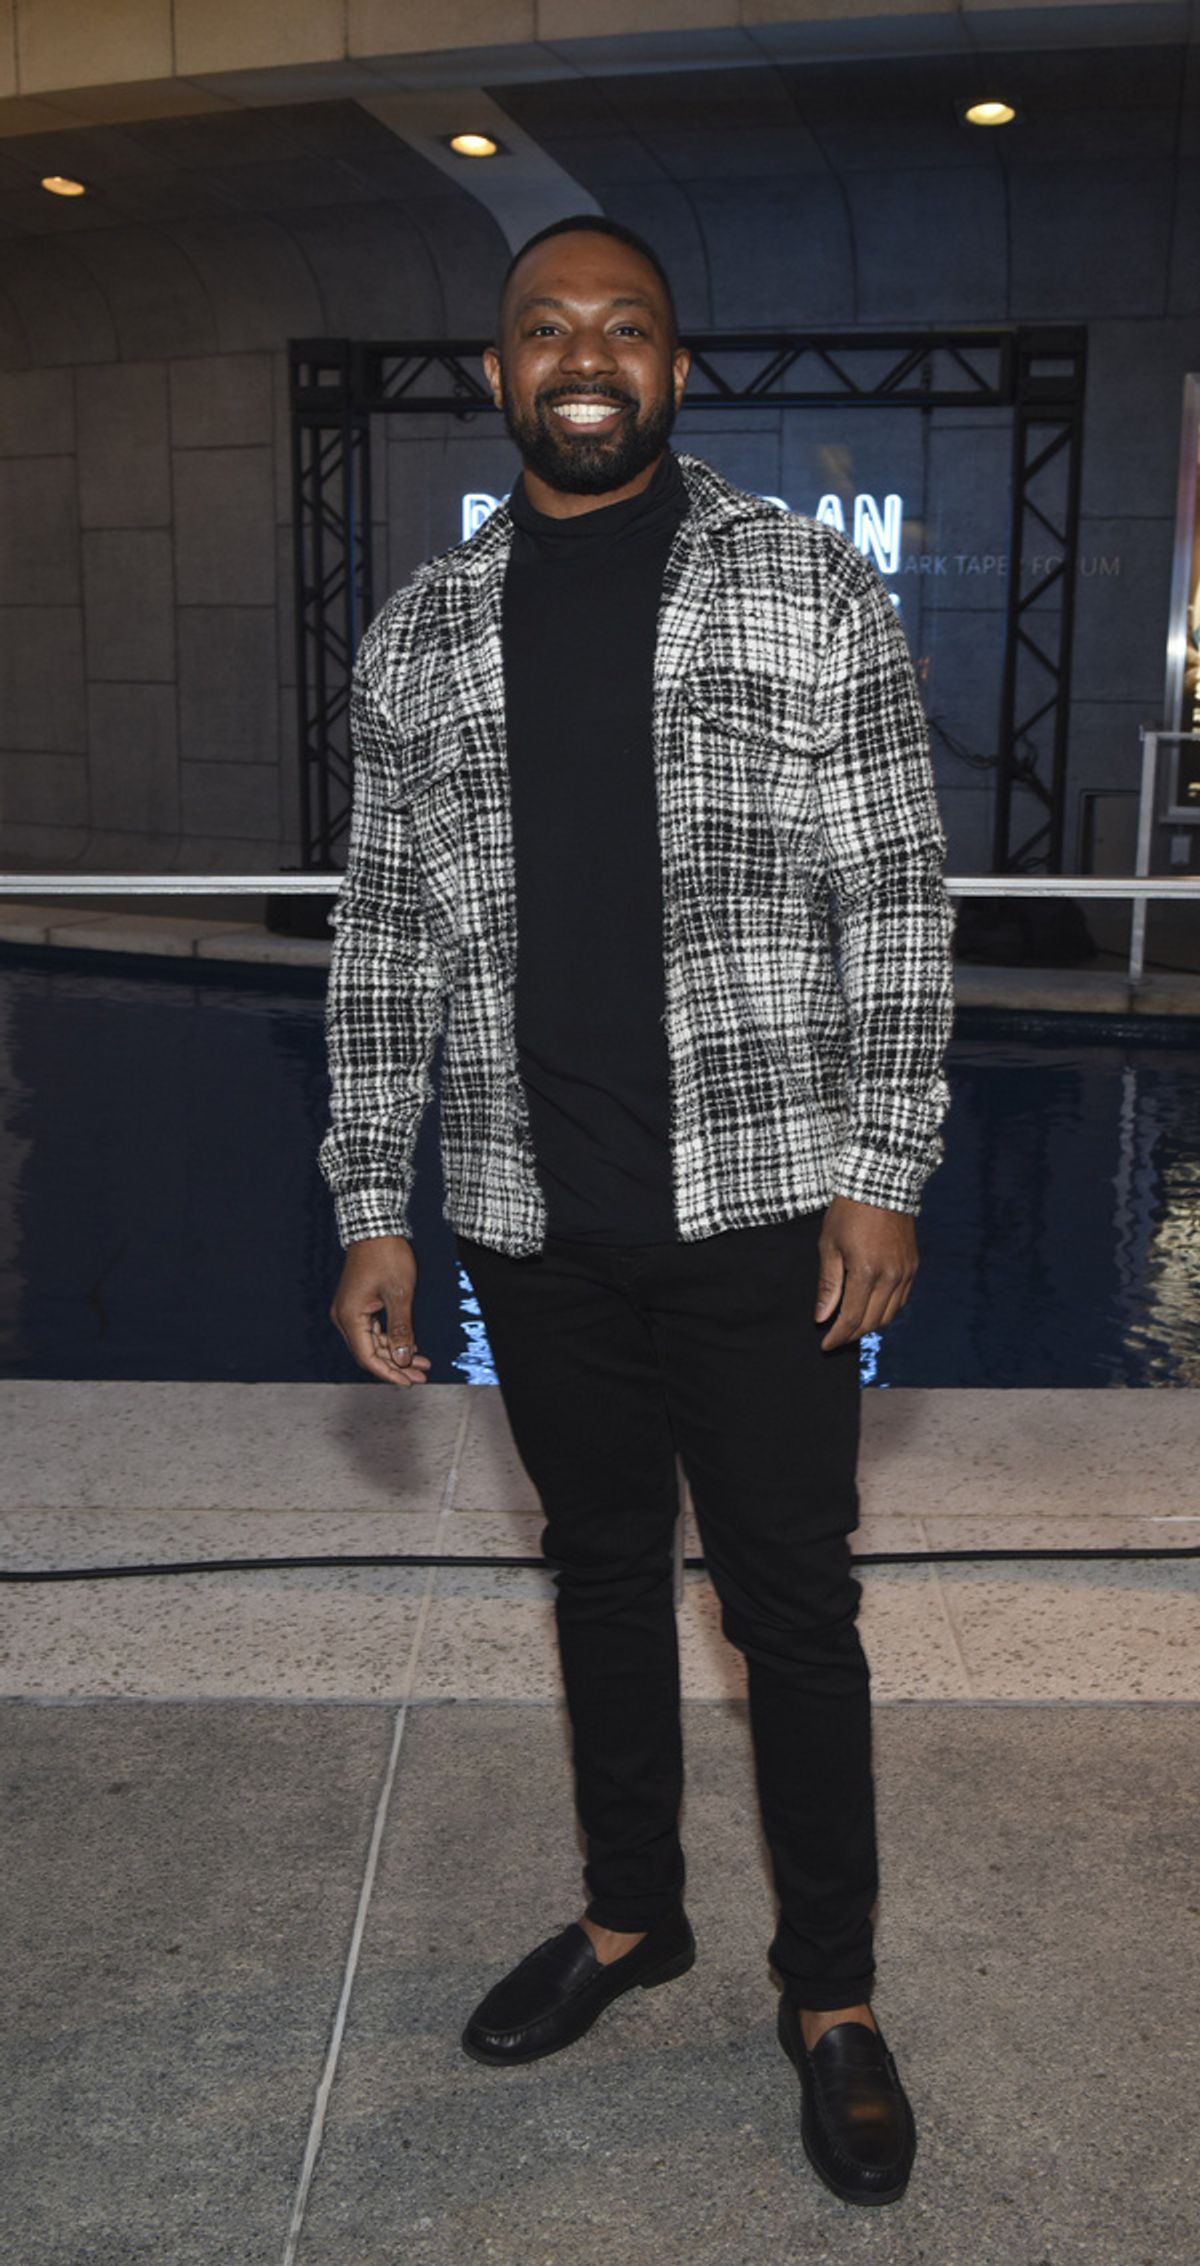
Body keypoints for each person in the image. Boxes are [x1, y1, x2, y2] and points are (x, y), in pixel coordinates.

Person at [319, 214, 955, 2208]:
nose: (583, 355)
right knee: (599, 1568)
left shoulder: (804, 586)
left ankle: (830, 1992)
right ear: (498, 372)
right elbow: (386, 941)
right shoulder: (420, 635)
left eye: (624, 328)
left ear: (676, 370)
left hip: (773, 1204)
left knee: (794, 1608)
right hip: (530, 1208)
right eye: (544, 328)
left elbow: (899, 901)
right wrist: (372, 1193)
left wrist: (885, 1164)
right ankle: (627, 1916)